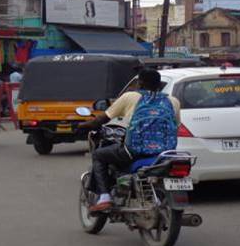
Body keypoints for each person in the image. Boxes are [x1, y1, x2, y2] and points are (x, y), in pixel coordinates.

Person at [78, 68, 182, 213]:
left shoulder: (130, 97)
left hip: (133, 151)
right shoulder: (173, 101)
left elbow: (102, 119)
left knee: (99, 155)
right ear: (159, 85)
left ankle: (105, 197)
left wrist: (81, 125)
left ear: (140, 83)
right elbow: (176, 126)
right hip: (164, 153)